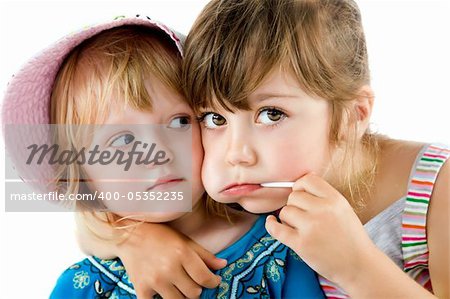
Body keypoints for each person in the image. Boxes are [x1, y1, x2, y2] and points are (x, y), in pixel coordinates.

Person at [77, 0, 449, 298]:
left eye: (271, 114)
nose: (236, 153)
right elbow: (92, 199)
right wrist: (135, 238)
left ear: (354, 115)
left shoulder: (436, 189)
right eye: (213, 118)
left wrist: (356, 266)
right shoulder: (246, 190)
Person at [1, 15, 324, 299]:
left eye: (179, 122)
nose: (159, 153)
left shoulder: (283, 246)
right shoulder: (84, 285)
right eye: (123, 139)